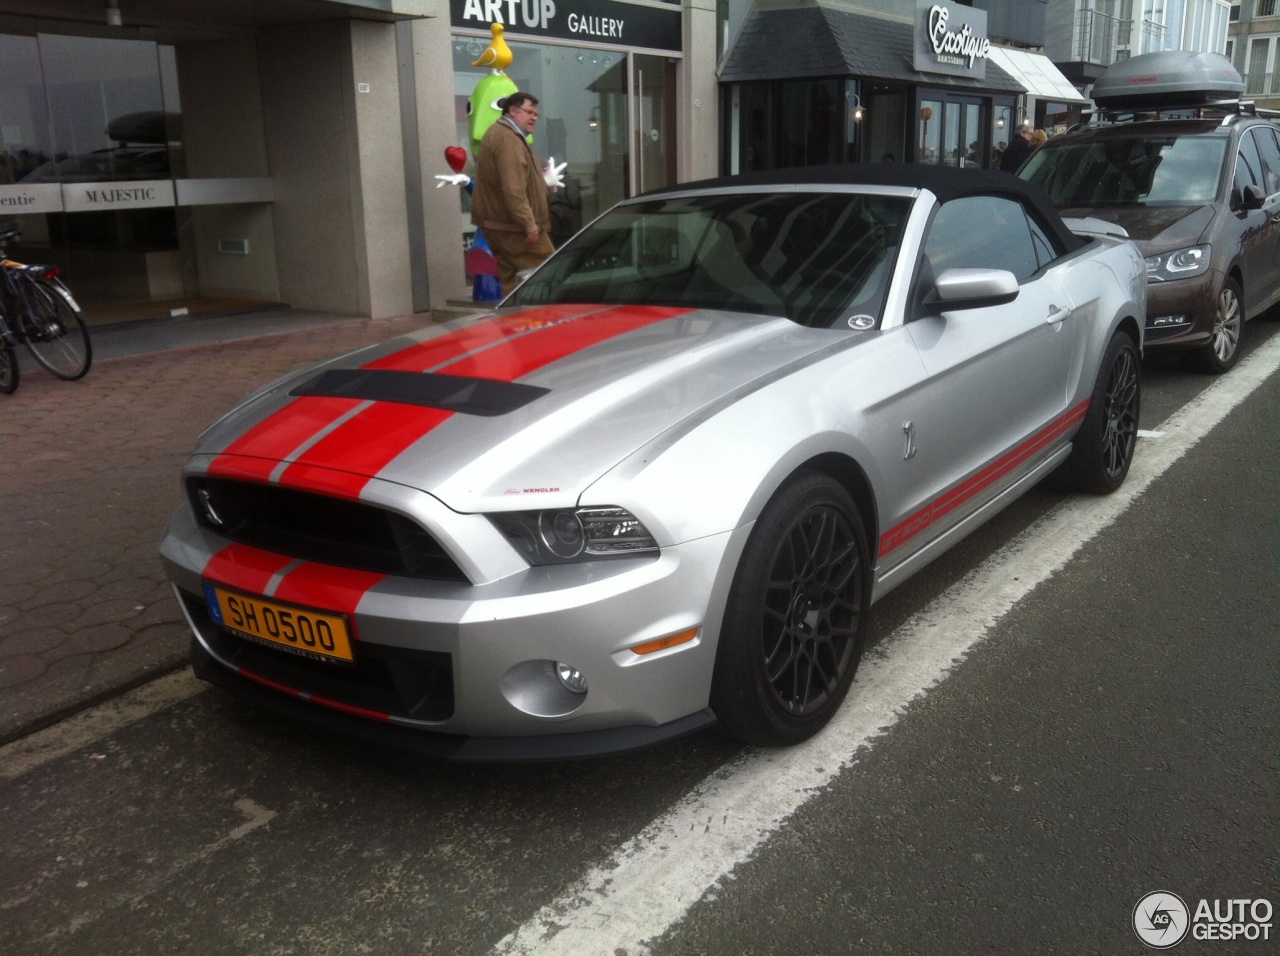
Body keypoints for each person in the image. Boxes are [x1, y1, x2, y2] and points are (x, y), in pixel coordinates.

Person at [470, 91, 554, 296]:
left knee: (512, 284)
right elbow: (513, 188)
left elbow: (512, 178)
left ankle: (516, 324)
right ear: (513, 111)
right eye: (530, 112)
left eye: (536, 114)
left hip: (501, 226)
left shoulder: (503, 135)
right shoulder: (508, 139)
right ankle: (544, 325)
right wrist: (529, 224)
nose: (534, 117)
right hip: (515, 229)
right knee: (548, 275)